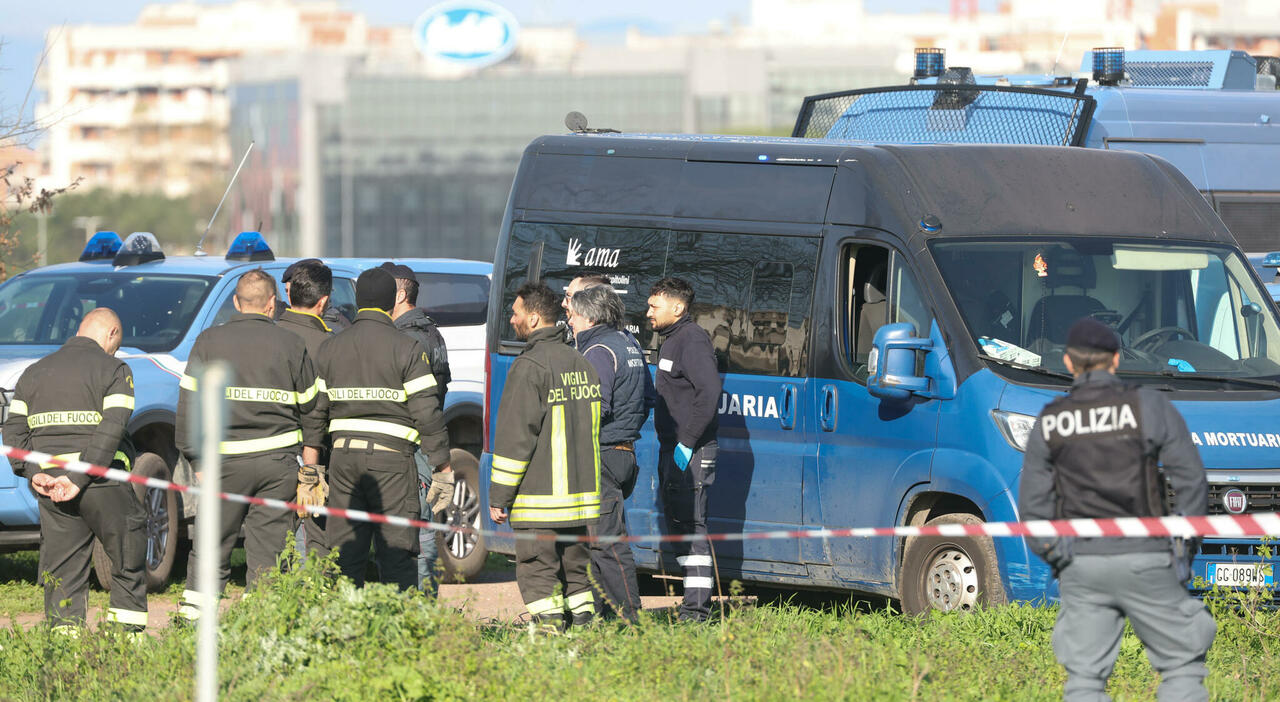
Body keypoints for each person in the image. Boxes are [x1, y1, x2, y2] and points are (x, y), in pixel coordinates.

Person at [1019, 318, 1215, 702]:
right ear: (1116, 359)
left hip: (1082, 562)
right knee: (1182, 667)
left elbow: (1033, 507)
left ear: (1068, 362)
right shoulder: (1148, 406)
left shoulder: (1051, 420)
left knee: (1085, 680)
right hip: (1148, 556)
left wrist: (1060, 557)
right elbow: (1192, 480)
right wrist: (1183, 547)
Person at [176, 269, 325, 620]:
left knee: (210, 551)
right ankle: (262, 627)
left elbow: (188, 407)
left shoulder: (209, 342)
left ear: (236, 302)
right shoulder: (291, 343)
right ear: (272, 303)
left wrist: (196, 462)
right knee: (270, 555)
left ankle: (192, 629)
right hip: (277, 466)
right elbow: (313, 409)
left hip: (222, 466)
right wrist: (310, 467)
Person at [4, 308, 147, 632]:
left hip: (51, 485)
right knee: (128, 555)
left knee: (63, 568)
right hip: (103, 483)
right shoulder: (115, 369)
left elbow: (14, 432)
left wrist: (33, 472)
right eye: (115, 345)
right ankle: (127, 640)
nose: (114, 351)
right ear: (111, 334)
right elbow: (112, 428)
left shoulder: (33, 373)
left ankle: (64, 646)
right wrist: (79, 477)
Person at [313, 268, 451, 590]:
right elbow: (427, 413)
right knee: (397, 556)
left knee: (346, 557)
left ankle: (347, 619)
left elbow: (315, 415)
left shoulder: (330, 348)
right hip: (393, 466)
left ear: (358, 301)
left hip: (344, 464)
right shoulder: (407, 348)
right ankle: (398, 619)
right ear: (392, 302)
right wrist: (443, 468)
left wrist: (312, 468)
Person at [490, 282, 603, 632]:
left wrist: (499, 496)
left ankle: (549, 637)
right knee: (576, 572)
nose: (512, 319)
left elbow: (515, 439)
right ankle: (585, 633)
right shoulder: (581, 363)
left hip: (540, 501)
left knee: (538, 571)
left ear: (534, 318)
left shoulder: (529, 367)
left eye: (516, 313)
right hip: (580, 502)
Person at [567, 283, 654, 623]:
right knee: (598, 539)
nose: (570, 321)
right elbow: (648, 399)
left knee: (607, 542)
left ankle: (630, 621)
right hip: (623, 452)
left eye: (574, 315)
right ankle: (602, 615)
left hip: (601, 454)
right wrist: (625, 432)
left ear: (590, 318)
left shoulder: (598, 350)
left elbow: (594, 406)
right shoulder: (628, 343)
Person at [647, 276, 722, 623]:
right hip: (673, 449)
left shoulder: (691, 340)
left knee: (693, 529)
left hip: (690, 451)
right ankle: (691, 606)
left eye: (654, 306)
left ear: (677, 307)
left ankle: (696, 612)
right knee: (680, 526)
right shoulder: (671, 340)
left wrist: (688, 442)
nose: (648, 312)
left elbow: (709, 392)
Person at [379, 261, 453, 592]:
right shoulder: (431, 332)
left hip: (412, 447)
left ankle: (420, 604)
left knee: (418, 531)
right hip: (423, 443)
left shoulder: (407, 339)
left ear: (399, 294)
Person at [276, 260, 337, 560]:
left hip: (270, 454)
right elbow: (324, 411)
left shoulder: (270, 335)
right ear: (323, 302)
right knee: (315, 534)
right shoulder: (328, 344)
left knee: (273, 539)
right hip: (314, 455)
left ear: (289, 294)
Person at [278, 258, 349, 331]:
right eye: (287, 292)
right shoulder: (283, 322)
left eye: (293, 292)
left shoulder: (332, 325)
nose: (290, 297)